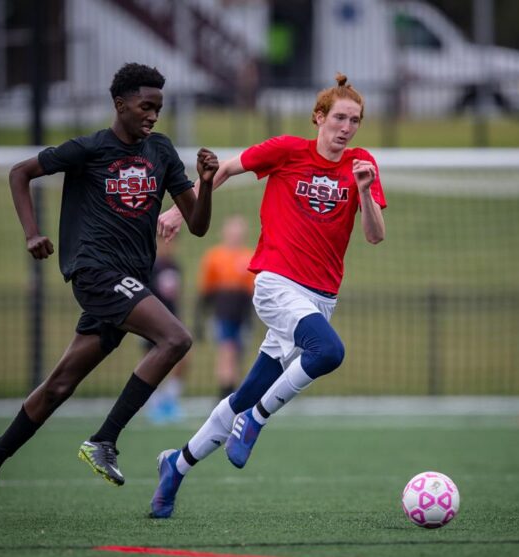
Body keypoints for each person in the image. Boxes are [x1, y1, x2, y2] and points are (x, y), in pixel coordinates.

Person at [0, 62, 218, 523]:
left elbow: (197, 226)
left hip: (129, 283)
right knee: (176, 338)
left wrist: (203, 181)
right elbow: (20, 173)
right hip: (95, 274)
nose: (154, 115)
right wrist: (30, 234)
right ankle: (104, 440)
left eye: (159, 107)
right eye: (146, 106)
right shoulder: (89, 149)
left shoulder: (160, 151)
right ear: (120, 104)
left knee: (59, 385)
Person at [150, 73, 386, 519]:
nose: (347, 127)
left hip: (320, 299)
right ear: (319, 117)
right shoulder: (287, 150)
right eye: (339, 117)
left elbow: (375, 236)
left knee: (242, 395)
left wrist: (364, 191)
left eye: (355, 120)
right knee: (329, 351)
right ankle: (256, 419)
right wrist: (181, 211)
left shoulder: (362, 164)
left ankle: (175, 467)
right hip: (276, 283)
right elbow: (224, 169)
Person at [197, 215, 255, 399]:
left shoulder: (249, 256)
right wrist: (200, 317)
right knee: (226, 350)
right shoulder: (215, 257)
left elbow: (252, 291)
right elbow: (207, 290)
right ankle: (225, 394)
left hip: (242, 312)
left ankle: (232, 391)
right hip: (223, 312)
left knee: (237, 353)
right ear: (224, 233)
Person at [144, 233, 188, 423]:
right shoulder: (150, 266)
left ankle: (169, 400)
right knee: (153, 362)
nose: (168, 246)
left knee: (183, 359)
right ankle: (152, 402)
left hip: (172, 322)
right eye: (164, 241)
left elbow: (175, 299)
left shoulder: (175, 266)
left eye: (172, 241)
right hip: (152, 322)